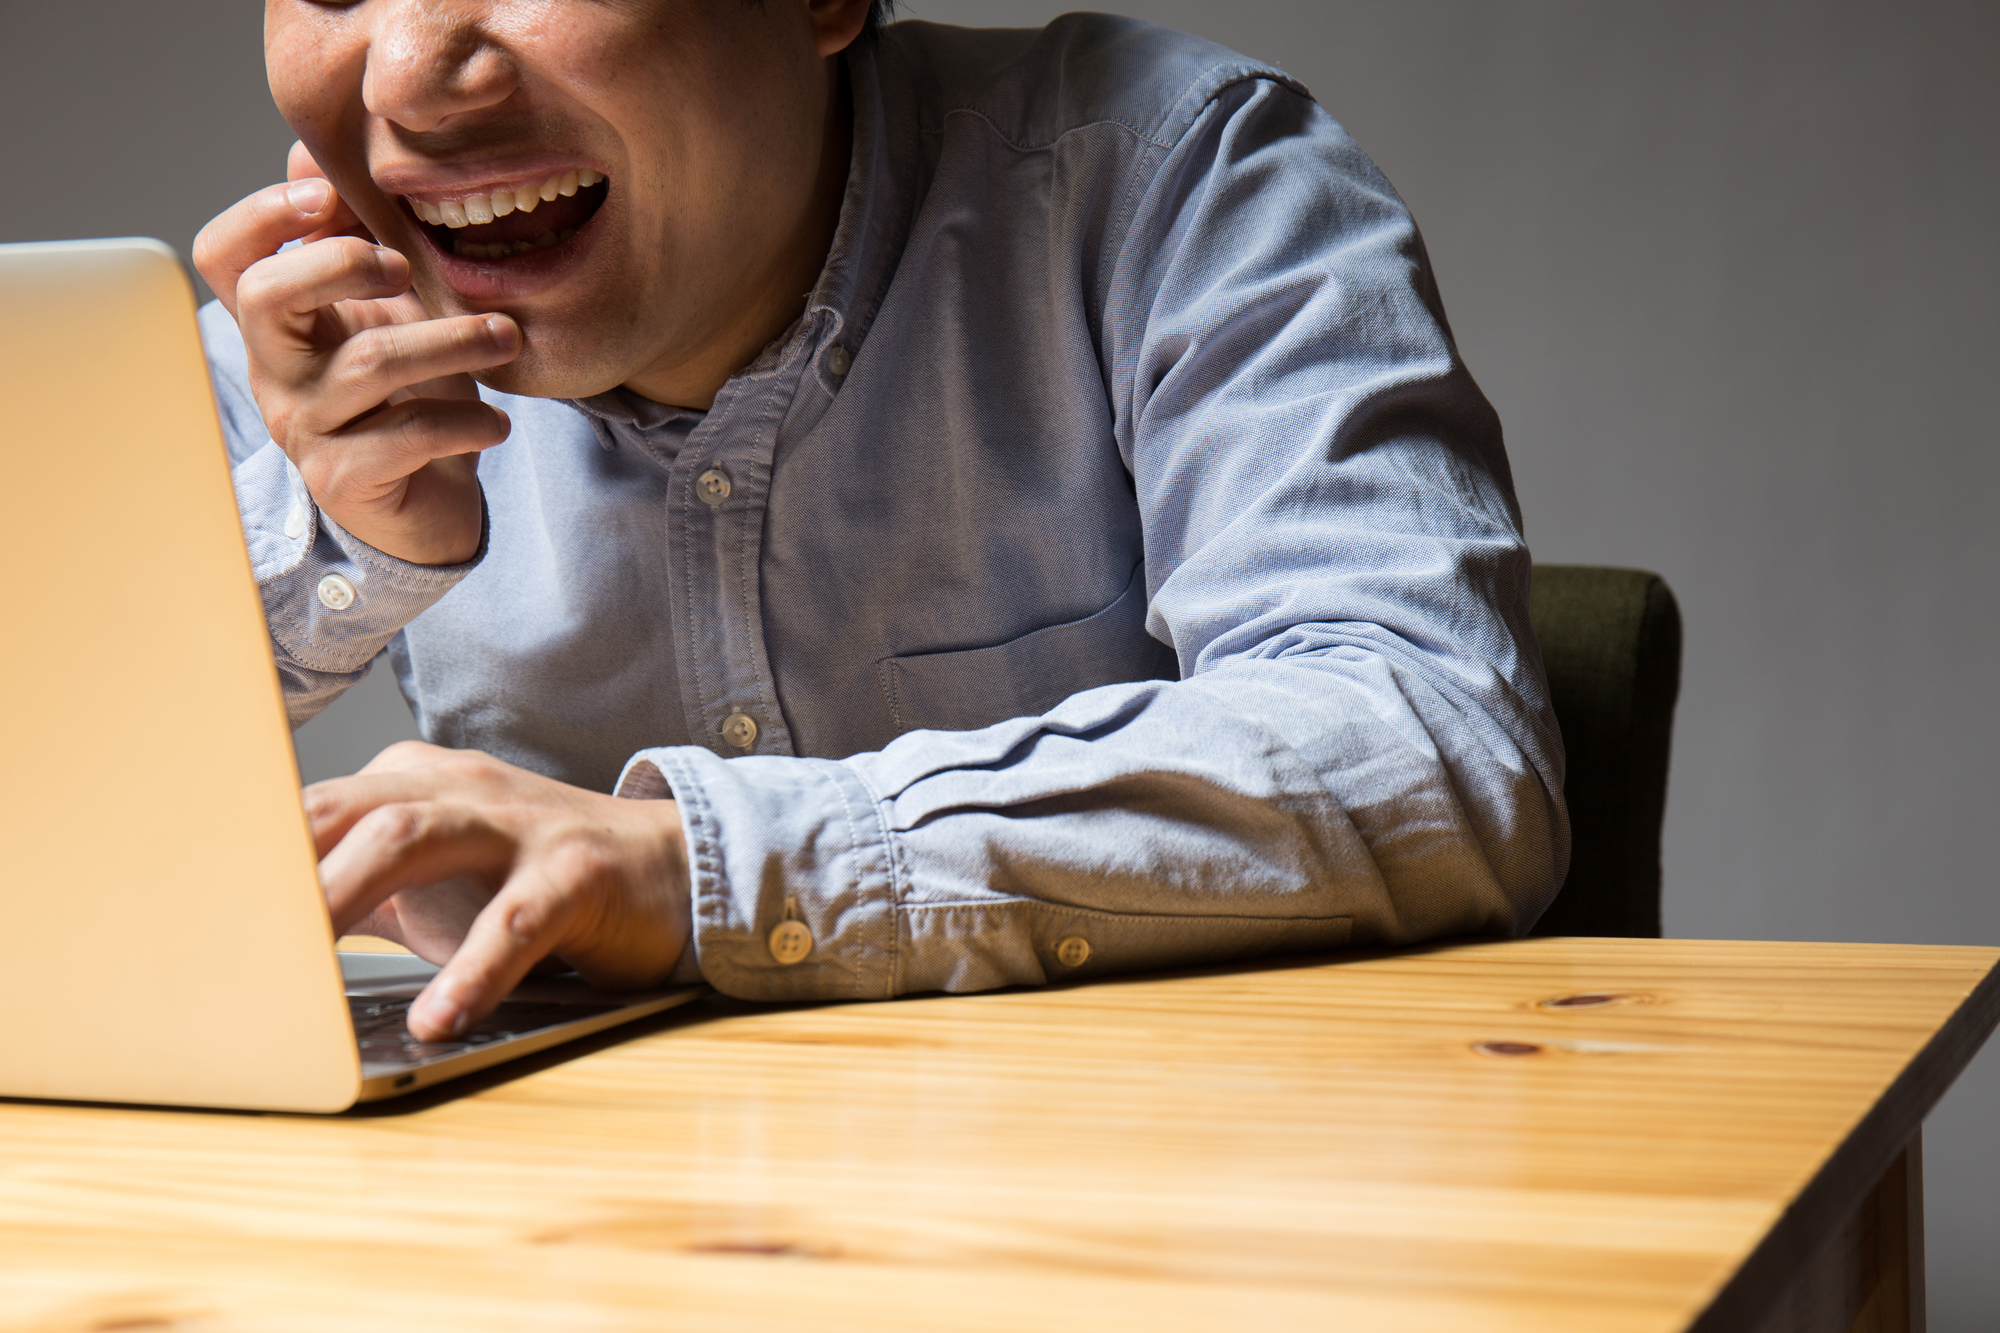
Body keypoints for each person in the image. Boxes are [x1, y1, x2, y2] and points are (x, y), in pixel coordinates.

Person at [194, 0, 1567, 1043]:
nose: (408, 75)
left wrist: (694, 864)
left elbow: (1428, 744)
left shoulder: (1176, 178)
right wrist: (341, 552)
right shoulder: (313, 342)